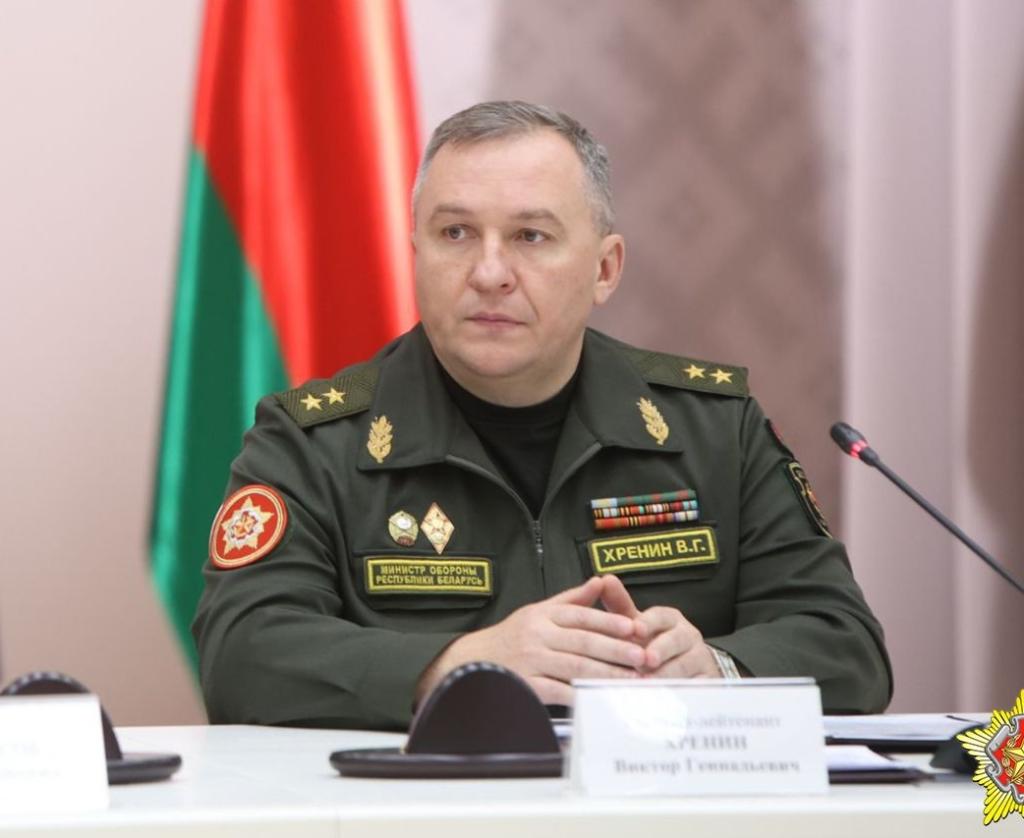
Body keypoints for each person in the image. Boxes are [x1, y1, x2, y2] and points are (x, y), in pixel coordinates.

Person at [192, 101, 892, 729]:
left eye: (530, 236)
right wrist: (459, 665)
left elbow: (846, 645)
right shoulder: (314, 443)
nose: (489, 272)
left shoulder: (713, 430)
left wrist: (716, 669)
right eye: (456, 233)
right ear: (416, 255)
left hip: (655, 808)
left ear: (605, 269)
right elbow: (241, 656)